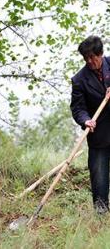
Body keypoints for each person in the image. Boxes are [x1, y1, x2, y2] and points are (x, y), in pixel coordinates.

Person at [70, 35, 110, 214]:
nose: (89, 61)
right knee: (99, 177)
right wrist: (85, 119)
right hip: (99, 136)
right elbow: (78, 108)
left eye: (92, 57)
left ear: (100, 53)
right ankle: (101, 215)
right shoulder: (79, 79)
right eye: (85, 58)